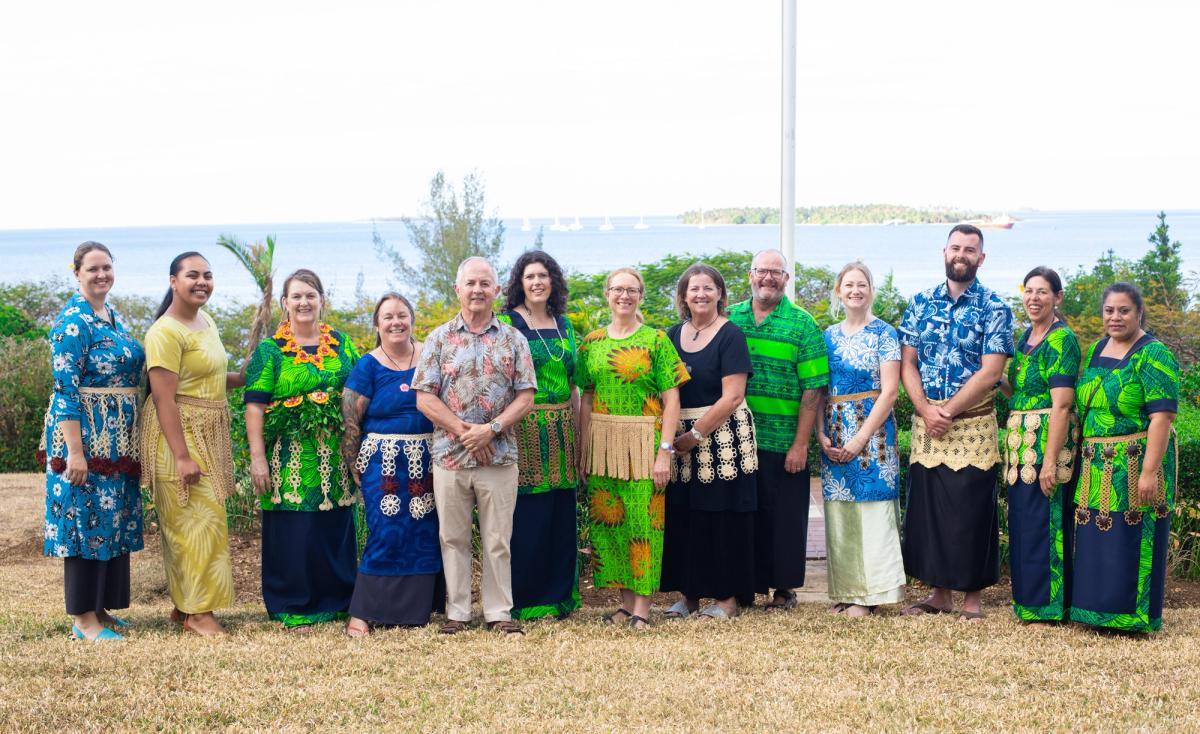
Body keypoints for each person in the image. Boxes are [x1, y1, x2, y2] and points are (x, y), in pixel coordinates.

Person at [412, 257, 537, 636]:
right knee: (453, 538)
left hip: (499, 458)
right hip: (450, 457)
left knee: (498, 540)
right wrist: (468, 433)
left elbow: (526, 396)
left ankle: (498, 612)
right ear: (458, 289)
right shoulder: (438, 339)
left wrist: (491, 430)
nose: (478, 290)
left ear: (496, 290)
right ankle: (458, 612)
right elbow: (424, 397)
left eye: (485, 283)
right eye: (471, 283)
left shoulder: (513, 339)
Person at [898, 224, 1014, 621]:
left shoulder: (995, 307)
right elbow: (908, 362)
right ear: (944, 252)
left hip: (971, 424)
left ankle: (972, 600)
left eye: (969, 250)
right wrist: (925, 408)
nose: (961, 255)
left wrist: (946, 412)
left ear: (981, 258)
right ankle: (939, 594)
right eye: (955, 248)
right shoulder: (920, 303)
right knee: (930, 510)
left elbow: (991, 371)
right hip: (927, 423)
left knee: (971, 511)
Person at [40, 242, 146, 641]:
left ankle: (100, 608)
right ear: (77, 273)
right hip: (85, 437)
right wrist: (75, 453)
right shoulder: (72, 322)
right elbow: (65, 390)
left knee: (110, 519)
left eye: (107, 267)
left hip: (114, 440)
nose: (102, 275)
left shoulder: (110, 314)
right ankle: (84, 620)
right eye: (93, 269)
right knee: (84, 521)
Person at [244, 269, 359, 631]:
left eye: (311, 295)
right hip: (288, 457)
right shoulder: (270, 350)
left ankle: (339, 601)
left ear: (322, 300)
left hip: (336, 456)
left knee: (334, 526)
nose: (304, 302)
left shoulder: (342, 344)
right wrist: (258, 458)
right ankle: (292, 605)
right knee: (295, 530)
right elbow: (254, 406)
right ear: (285, 303)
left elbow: (359, 392)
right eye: (296, 296)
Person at [577, 267, 688, 630]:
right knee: (610, 526)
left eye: (631, 290)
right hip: (603, 446)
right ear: (607, 294)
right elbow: (586, 396)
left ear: (640, 296)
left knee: (643, 525)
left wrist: (665, 451)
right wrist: (583, 448)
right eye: (617, 289)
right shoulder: (592, 342)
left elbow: (672, 399)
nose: (624, 296)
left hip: (644, 444)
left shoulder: (656, 340)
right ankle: (624, 604)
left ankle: (642, 607)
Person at [140, 252, 244, 637]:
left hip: (205, 432)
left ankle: (186, 605)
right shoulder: (164, 332)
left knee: (204, 520)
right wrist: (182, 456)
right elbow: (163, 397)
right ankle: (197, 614)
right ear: (173, 281)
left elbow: (207, 376)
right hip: (177, 436)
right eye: (193, 275)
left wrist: (241, 377)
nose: (202, 282)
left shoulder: (206, 320)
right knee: (191, 523)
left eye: (208, 275)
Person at [1070, 283, 1178, 633]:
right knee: (1098, 539)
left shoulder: (1154, 354)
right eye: (1109, 311)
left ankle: (1130, 618)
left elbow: (1162, 417)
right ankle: (1095, 612)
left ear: (1139, 313)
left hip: (1135, 461)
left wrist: (1149, 471)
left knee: (1129, 538)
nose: (1115, 317)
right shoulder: (1097, 348)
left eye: (1124, 310)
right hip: (1096, 463)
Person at [727, 249, 828, 611]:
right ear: (750, 275)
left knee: (784, 519)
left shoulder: (803, 324)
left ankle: (784, 589)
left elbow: (813, 389)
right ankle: (744, 587)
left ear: (786, 278)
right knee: (743, 518)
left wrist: (800, 444)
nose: (768, 277)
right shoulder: (730, 318)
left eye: (776, 272)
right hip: (736, 440)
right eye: (762, 271)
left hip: (784, 440)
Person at [660, 264, 757, 621]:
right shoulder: (672, 335)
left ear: (720, 294)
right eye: (694, 289)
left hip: (723, 437)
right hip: (681, 439)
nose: (701, 294)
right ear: (684, 296)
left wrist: (696, 434)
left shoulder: (731, 335)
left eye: (708, 288)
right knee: (686, 516)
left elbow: (733, 396)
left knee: (722, 519)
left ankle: (727, 599)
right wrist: (674, 438)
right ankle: (689, 597)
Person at [341, 293, 442, 636]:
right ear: (377, 324)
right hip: (381, 461)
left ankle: (416, 609)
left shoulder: (430, 355)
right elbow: (351, 417)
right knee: (385, 529)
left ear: (412, 319)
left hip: (428, 458)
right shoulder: (368, 365)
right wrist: (353, 461)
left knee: (424, 531)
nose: (396, 322)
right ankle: (363, 612)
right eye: (388, 317)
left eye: (402, 315)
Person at [816, 261, 905, 617]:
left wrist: (860, 439)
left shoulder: (885, 333)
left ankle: (872, 595)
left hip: (874, 433)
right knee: (841, 513)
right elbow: (819, 389)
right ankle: (848, 591)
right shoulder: (827, 336)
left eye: (862, 284)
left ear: (870, 291)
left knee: (873, 510)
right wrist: (819, 433)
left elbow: (890, 391)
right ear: (839, 291)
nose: (855, 290)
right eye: (849, 285)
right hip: (835, 428)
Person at [498, 251, 582, 620]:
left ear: (553, 282)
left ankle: (559, 597)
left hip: (562, 430)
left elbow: (574, 385)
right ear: (520, 282)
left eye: (543, 276)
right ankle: (525, 599)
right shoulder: (506, 323)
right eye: (530, 276)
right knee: (526, 518)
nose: (537, 282)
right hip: (523, 430)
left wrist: (579, 437)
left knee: (559, 517)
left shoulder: (564, 324)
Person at [998, 267, 1080, 623]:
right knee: (1024, 523)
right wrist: (994, 377)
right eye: (1029, 291)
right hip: (1021, 444)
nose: (1033, 298)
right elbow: (1020, 395)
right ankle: (1028, 603)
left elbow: (1061, 404)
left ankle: (1050, 605)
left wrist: (1049, 461)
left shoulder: (1062, 340)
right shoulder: (1025, 338)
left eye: (1042, 292)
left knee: (1046, 522)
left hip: (1048, 443)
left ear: (1057, 297)